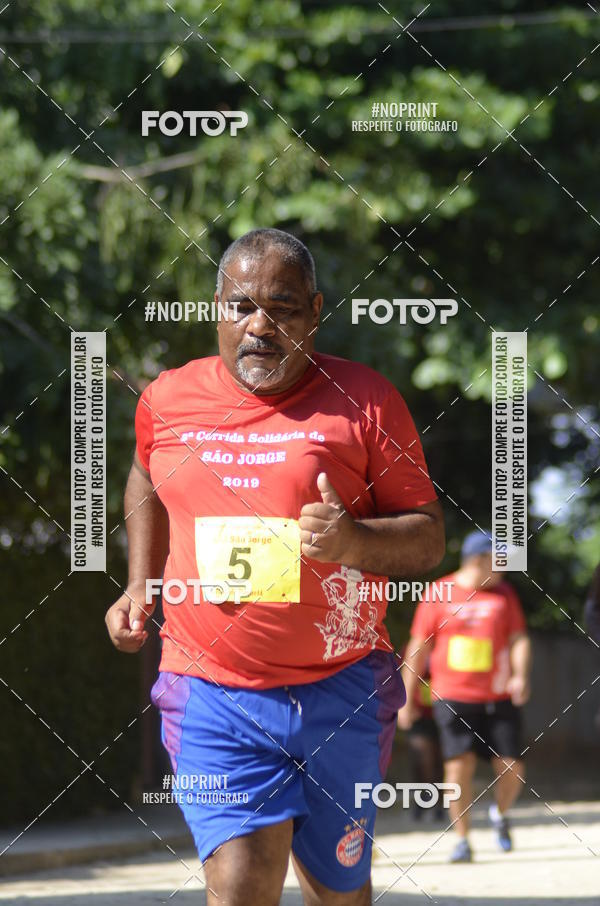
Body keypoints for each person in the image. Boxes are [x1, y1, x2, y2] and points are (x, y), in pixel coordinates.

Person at [105, 228, 445, 906]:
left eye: (283, 308)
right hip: (212, 691)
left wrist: (353, 542)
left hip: (341, 689)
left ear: (315, 312)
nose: (260, 325)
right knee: (238, 887)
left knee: (338, 893)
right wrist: (139, 578)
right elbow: (144, 474)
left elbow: (429, 539)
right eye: (241, 307)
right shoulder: (168, 400)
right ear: (218, 310)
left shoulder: (366, 402)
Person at [398, 530, 531, 863]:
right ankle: (462, 838)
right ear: (478, 560)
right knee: (458, 768)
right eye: (498, 561)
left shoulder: (504, 595)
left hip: (498, 697)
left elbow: (519, 639)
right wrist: (407, 697)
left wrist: (520, 675)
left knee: (512, 767)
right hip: (452, 697)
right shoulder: (437, 592)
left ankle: (499, 814)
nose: (503, 568)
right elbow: (419, 647)